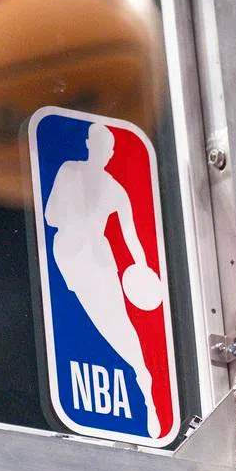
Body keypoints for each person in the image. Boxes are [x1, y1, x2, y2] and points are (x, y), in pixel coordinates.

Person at [44, 123, 160, 438]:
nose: (103, 153)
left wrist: (143, 269)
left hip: (95, 261)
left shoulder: (113, 189)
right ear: (90, 145)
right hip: (69, 260)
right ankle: (143, 380)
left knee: (118, 325)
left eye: (105, 148)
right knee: (95, 326)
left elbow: (132, 236)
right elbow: (50, 217)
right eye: (99, 145)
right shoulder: (69, 172)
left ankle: (145, 385)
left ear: (108, 152)